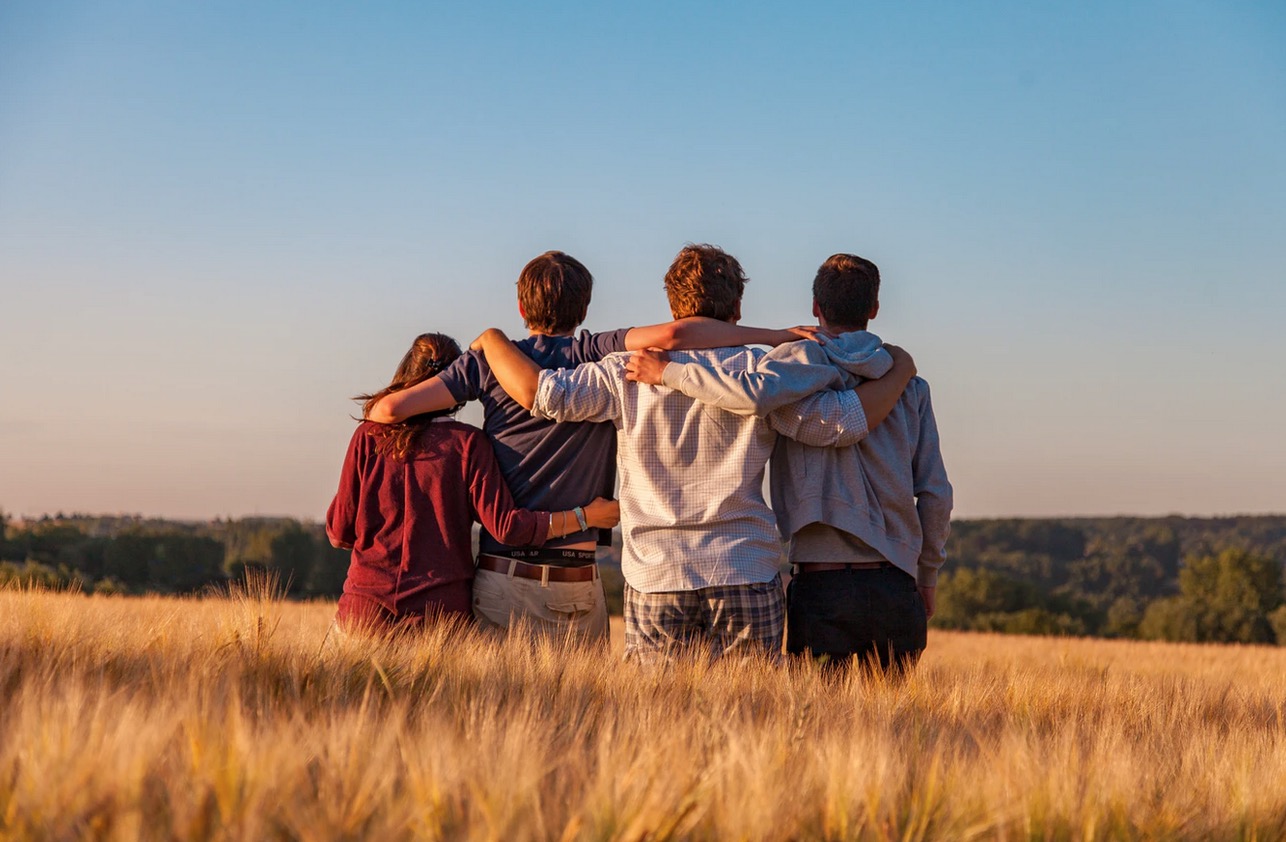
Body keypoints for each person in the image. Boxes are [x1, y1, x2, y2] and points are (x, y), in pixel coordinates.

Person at [470, 244, 917, 663]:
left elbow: (544, 395)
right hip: (743, 566)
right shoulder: (762, 373)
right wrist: (899, 372)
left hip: (656, 573)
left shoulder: (623, 372)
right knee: (751, 720)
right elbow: (839, 424)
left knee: (659, 723)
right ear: (737, 309)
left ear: (672, 307)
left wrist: (492, 340)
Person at [364, 250, 818, 643]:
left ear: (521, 305)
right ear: (584, 308)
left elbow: (387, 413)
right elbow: (678, 336)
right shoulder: (596, 352)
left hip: (505, 574)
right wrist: (774, 336)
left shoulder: (489, 362)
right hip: (579, 578)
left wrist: (488, 345)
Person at [628, 253, 952, 673]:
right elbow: (935, 492)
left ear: (816, 307)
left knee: (815, 726)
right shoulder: (910, 386)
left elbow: (750, 395)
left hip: (821, 584)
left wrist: (669, 372)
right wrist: (927, 575)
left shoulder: (789, 371)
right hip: (896, 583)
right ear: (873, 309)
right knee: (892, 731)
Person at [326, 332, 620, 635]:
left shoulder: (368, 437)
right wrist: (586, 517)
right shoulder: (468, 444)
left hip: (365, 612)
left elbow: (340, 533)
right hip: (440, 617)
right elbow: (507, 527)